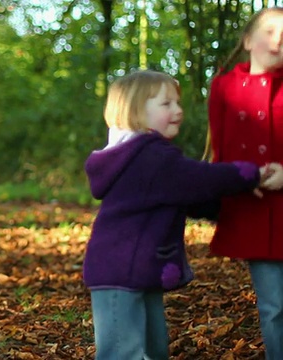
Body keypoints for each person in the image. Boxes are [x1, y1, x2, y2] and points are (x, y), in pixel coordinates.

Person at [83, 69, 280, 360]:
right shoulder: (149, 156)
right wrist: (251, 173)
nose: (178, 111)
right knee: (122, 352)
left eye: (177, 103)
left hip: (136, 269)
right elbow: (198, 179)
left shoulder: (143, 156)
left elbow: (189, 198)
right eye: (166, 104)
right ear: (135, 111)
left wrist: (232, 211)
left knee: (153, 349)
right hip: (119, 269)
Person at [206, 7, 283, 360]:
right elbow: (221, 148)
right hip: (255, 212)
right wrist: (236, 180)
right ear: (249, 40)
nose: (279, 39)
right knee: (274, 306)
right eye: (270, 31)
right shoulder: (223, 87)